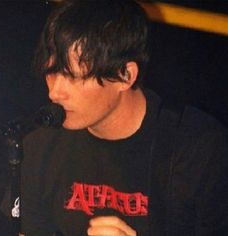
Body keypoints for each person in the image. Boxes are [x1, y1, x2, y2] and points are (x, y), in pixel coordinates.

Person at [20, 0, 228, 235]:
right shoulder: (41, 145)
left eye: (72, 77)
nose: (54, 92)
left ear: (125, 75)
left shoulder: (199, 149)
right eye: (51, 72)